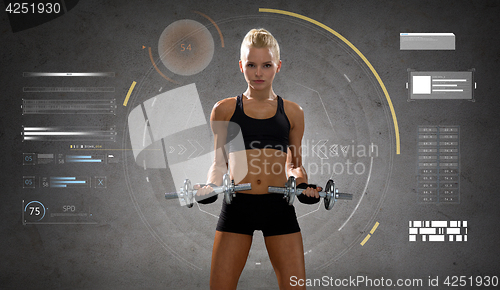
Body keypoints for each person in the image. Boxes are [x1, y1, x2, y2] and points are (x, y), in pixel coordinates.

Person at [194, 28, 322, 290]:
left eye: (266, 65)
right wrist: (210, 186)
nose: (259, 72)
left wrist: (300, 187)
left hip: (278, 207)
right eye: (251, 65)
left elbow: (295, 164)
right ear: (241, 66)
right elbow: (219, 162)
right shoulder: (225, 109)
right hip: (237, 207)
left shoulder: (293, 112)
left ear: (278, 66)